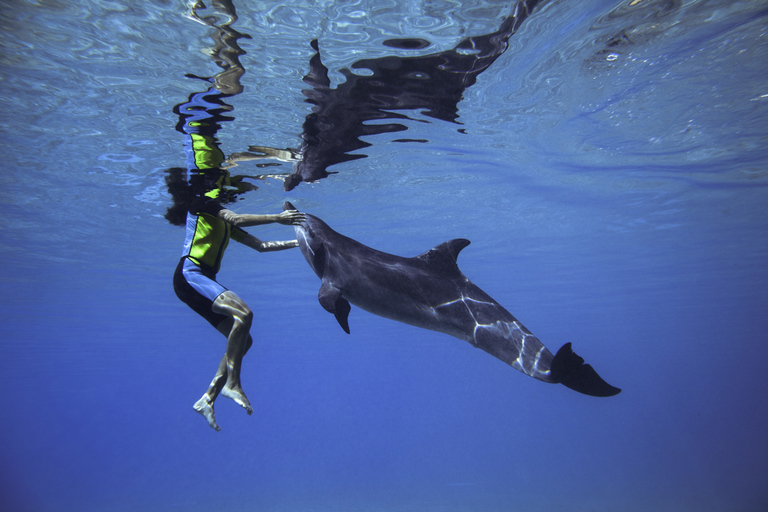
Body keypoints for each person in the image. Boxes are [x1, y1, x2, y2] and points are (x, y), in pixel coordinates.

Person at [170, 168, 305, 431]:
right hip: (190, 275)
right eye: (222, 188)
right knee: (244, 314)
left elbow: (261, 246)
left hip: (201, 280)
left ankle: (207, 399)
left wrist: (299, 242)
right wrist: (278, 218)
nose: (226, 193)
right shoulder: (201, 203)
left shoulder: (222, 222)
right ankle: (233, 384)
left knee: (245, 340)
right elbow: (237, 218)